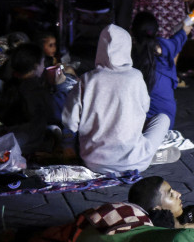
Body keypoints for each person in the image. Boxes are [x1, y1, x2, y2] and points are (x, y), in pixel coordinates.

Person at [61, 25, 176, 174]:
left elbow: (70, 122)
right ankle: (149, 154)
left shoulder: (87, 79)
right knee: (163, 119)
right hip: (136, 161)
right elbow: (145, 109)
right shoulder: (135, 77)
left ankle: (142, 153)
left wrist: (70, 144)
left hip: (93, 162)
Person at [132, 11, 190, 128]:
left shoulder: (129, 53)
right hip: (166, 123)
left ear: (132, 32)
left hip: (140, 124)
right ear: (156, 31)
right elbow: (178, 39)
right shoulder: (166, 47)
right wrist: (184, 30)